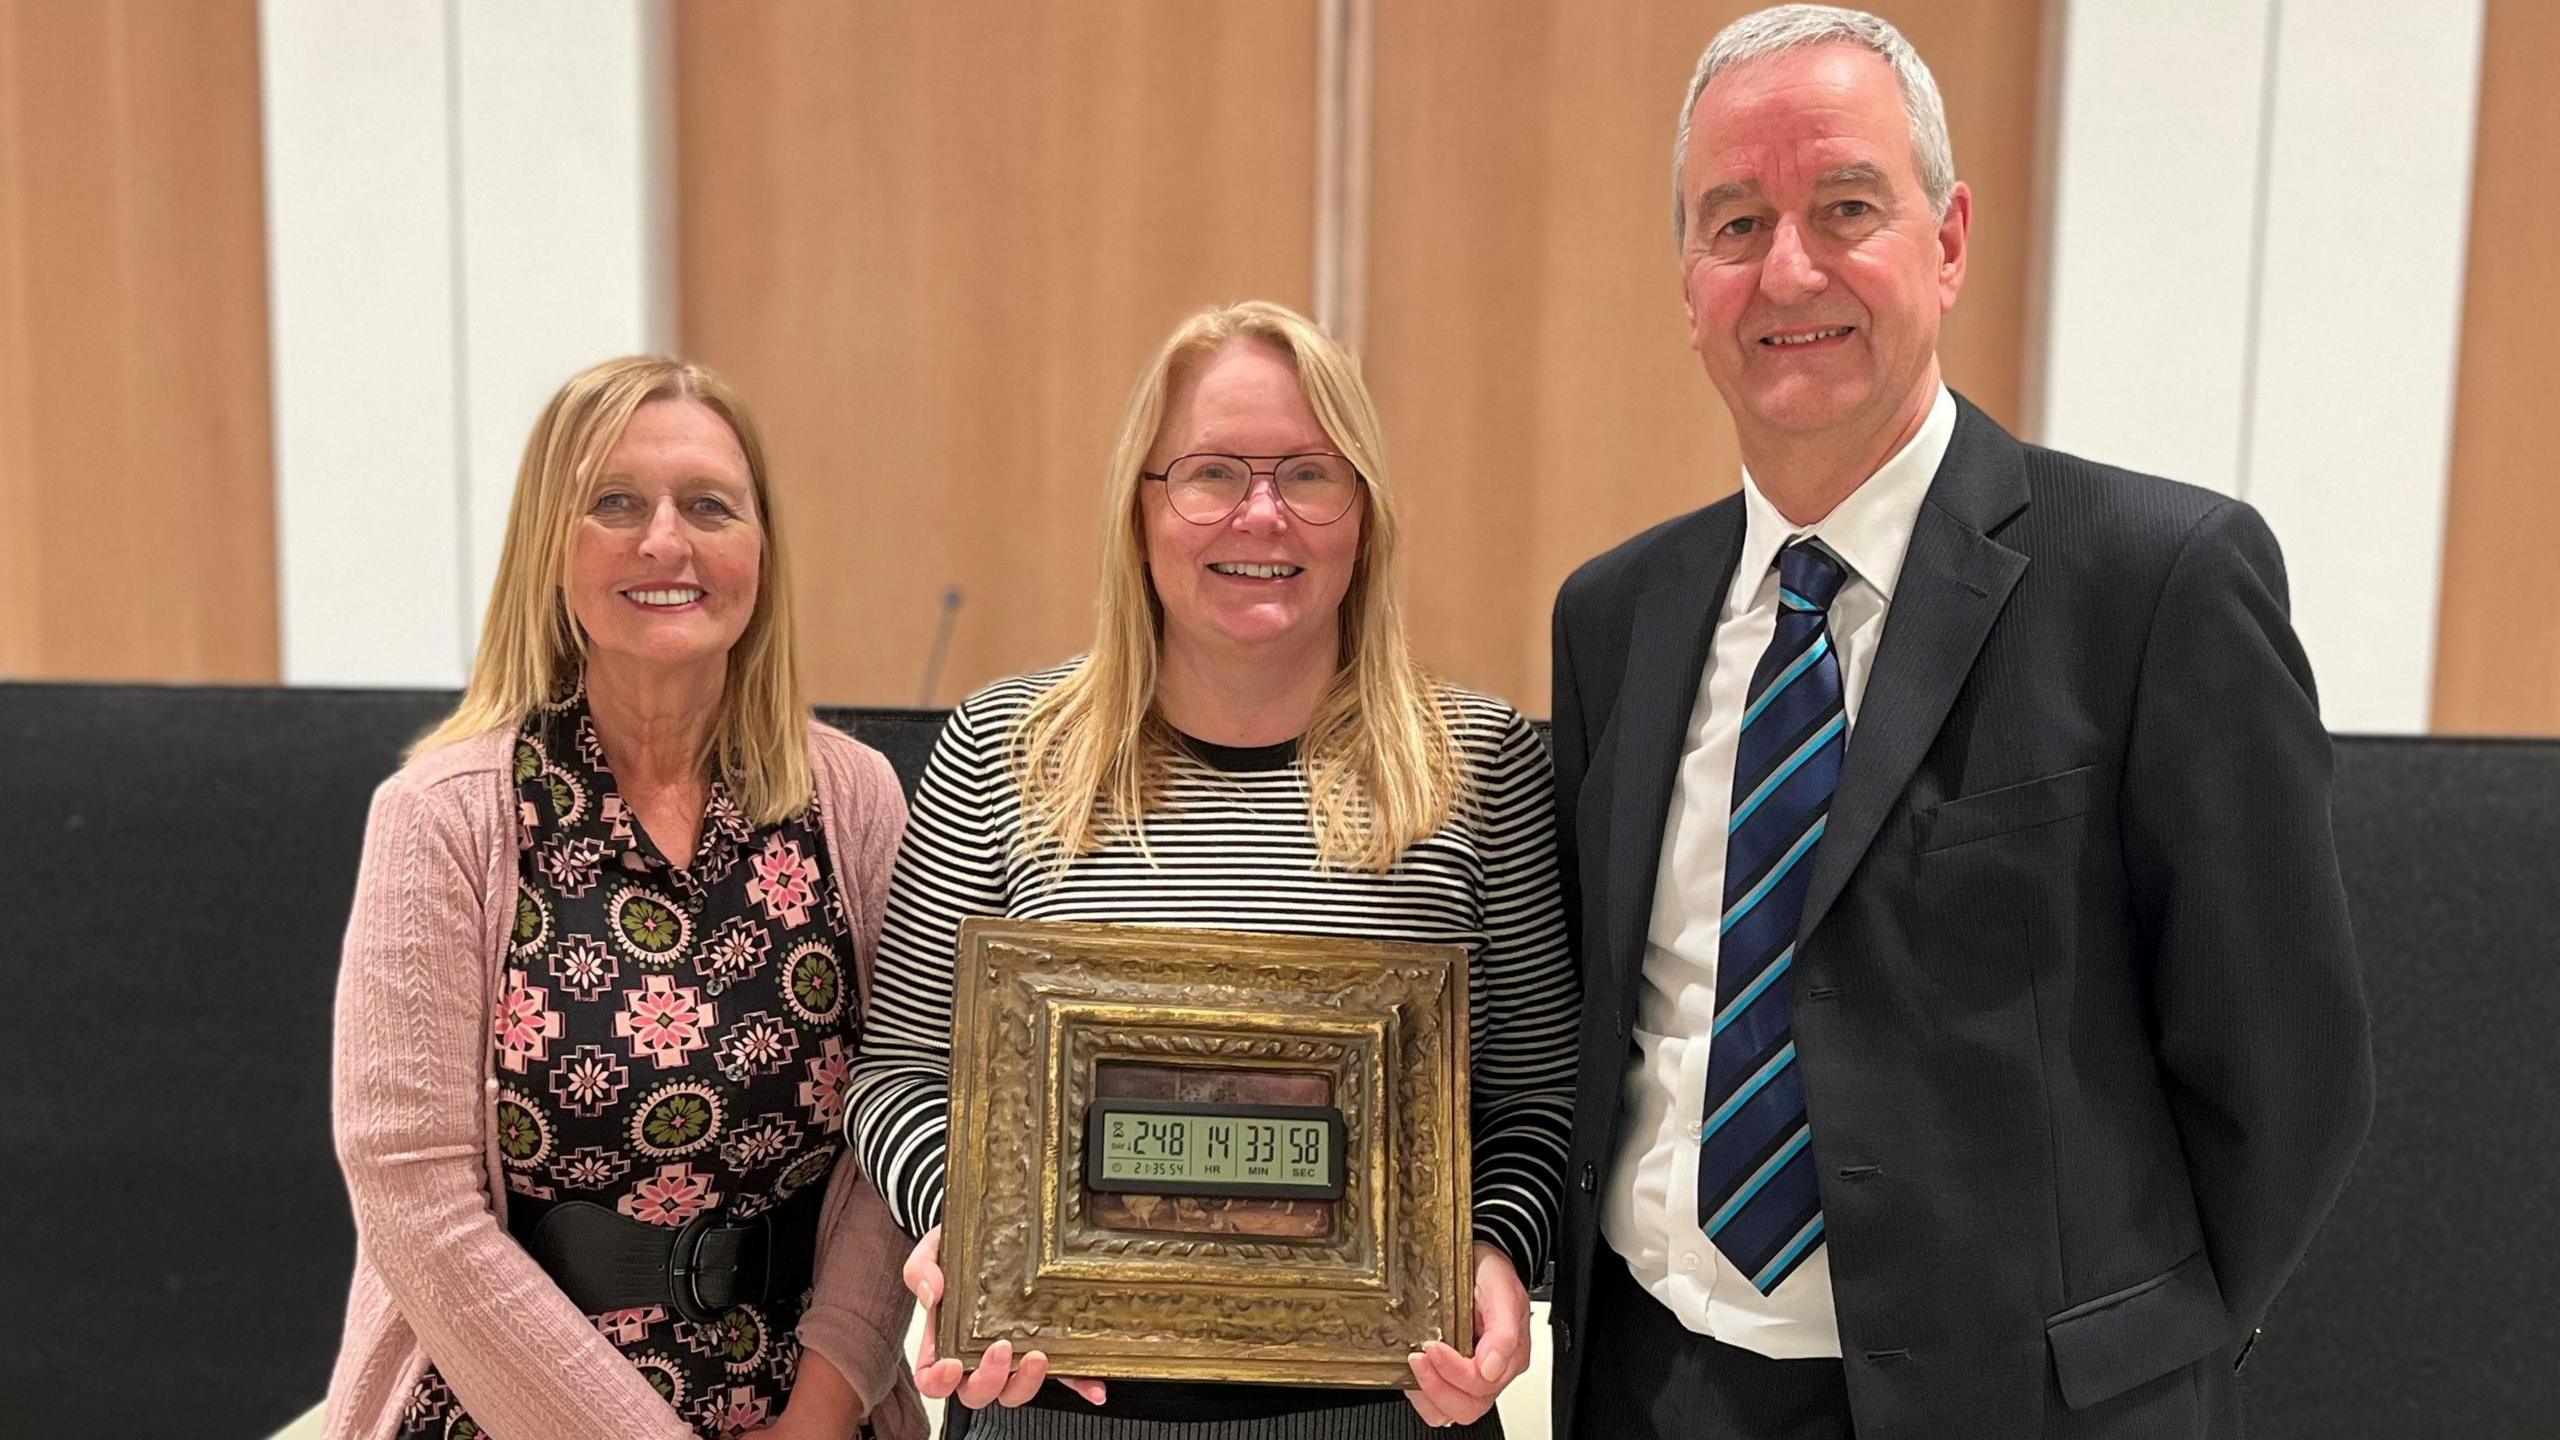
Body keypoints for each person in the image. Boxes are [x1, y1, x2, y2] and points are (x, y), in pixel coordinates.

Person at [1546, 8, 2373, 1439]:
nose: (1788, 266)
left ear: (1949, 238)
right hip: (1657, 1387)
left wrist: (2142, 1360)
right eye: (1735, 222)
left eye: (1846, 206)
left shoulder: (2155, 582)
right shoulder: (1615, 616)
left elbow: (2289, 1064)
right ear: (1687, 280)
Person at [844, 300, 1578, 1437]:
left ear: (1364, 518)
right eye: (1211, 473)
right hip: (1053, 1408)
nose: (1262, 513)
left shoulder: (1477, 768)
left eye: (1310, 474)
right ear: (1139, 514)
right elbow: (896, 1072)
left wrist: (1491, 1246)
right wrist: (979, 1230)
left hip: (1383, 1414)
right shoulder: (1002, 751)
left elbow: (1542, 1098)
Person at [322, 357, 926, 1440]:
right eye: (615, 503)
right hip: (502, 1410)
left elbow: (898, 1120)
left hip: (810, 1410)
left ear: (761, 551)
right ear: (549, 550)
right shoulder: (443, 818)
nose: (664, 542)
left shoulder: (853, 800)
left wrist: (824, 1414)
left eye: (708, 506)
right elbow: (413, 1198)